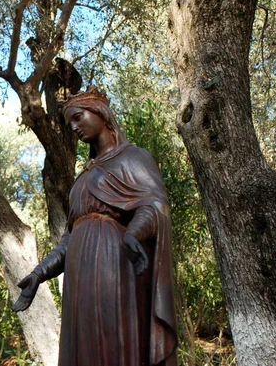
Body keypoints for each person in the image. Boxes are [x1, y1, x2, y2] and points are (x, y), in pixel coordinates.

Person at [12, 87, 178, 366]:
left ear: (101, 113)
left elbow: (154, 205)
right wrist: (38, 274)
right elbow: (68, 240)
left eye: (78, 117)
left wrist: (134, 233)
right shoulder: (82, 180)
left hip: (114, 265)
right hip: (80, 276)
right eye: (70, 123)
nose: (74, 127)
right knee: (84, 344)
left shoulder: (133, 158)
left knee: (113, 338)